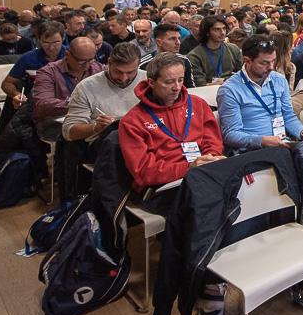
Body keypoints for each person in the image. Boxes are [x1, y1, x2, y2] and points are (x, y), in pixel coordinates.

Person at [119, 52, 226, 191]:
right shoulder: (133, 121)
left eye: (180, 80)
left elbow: (212, 142)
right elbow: (144, 172)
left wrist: (210, 159)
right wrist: (188, 167)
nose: (177, 87)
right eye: (169, 82)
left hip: (203, 173)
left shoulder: (198, 104)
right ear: (151, 82)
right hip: (164, 185)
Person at [34, 37, 105, 199]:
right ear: (68, 55)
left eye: (91, 59)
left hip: (89, 118)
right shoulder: (48, 72)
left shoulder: (98, 69)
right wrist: (77, 102)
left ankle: (93, 184)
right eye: (81, 61)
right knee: (72, 138)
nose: (87, 65)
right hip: (54, 121)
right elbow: (42, 104)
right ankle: (70, 190)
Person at [216, 35, 303, 153]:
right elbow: (231, 134)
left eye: (273, 61)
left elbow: (288, 116)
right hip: (251, 150)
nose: (271, 67)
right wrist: (262, 140)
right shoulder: (230, 90)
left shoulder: (279, 80)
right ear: (247, 61)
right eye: (264, 63)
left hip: (282, 144)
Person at [62, 42, 146, 165]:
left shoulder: (148, 81)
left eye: (130, 72)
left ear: (138, 66)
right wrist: (96, 127)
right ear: (109, 63)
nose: (124, 78)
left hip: (144, 139)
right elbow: (68, 132)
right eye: (118, 71)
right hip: (105, 147)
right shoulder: (87, 87)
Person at [188, 15, 242, 86]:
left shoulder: (234, 49)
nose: (222, 32)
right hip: (208, 93)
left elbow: (242, 76)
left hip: (233, 89)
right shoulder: (194, 56)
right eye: (217, 29)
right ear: (207, 32)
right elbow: (200, 85)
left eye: (224, 28)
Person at [154, 22, 194, 87]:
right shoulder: (145, 64)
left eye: (179, 38)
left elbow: (190, 88)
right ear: (159, 42)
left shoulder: (184, 61)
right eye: (172, 39)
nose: (178, 42)